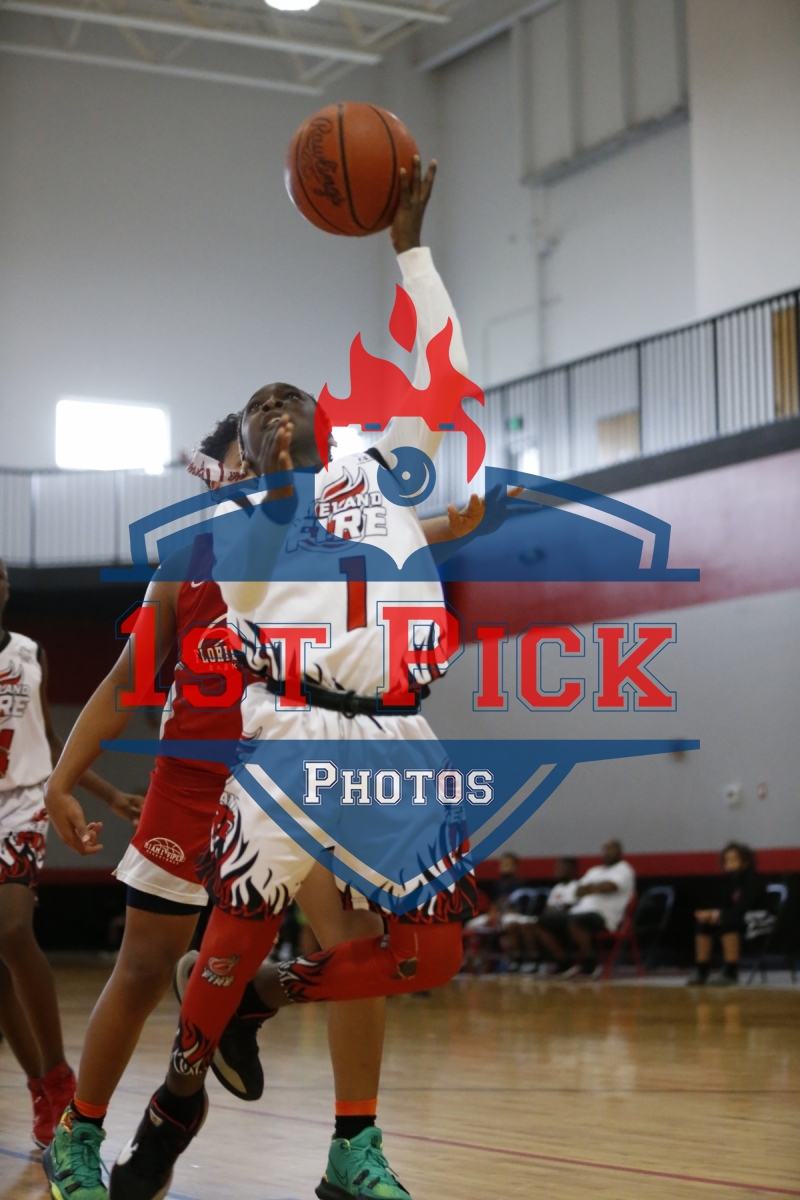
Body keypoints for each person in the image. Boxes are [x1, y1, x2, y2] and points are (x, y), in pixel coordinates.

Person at [109, 156, 485, 1200]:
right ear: (247, 449)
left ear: (328, 425)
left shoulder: (376, 477)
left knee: (435, 955)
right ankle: (174, 1105)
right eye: (262, 410)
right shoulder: (236, 524)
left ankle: (266, 1001)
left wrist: (410, 251)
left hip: (398, 734)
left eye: (295, 399)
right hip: (290, 740)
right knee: (230, 933)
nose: (283, 407)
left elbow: (445, 377)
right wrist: (271, 487)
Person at [43, 405, 481, 1200]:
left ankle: (352, 1145)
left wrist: (448, 525)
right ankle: (83, 1129)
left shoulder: (327, 543)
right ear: (220, 480)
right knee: (143, 966)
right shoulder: (188, 564)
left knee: (354, 934)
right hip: (192, 780)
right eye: (249, 464)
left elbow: (391, 536)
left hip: (290, 772)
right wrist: (61, 781)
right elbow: (121, 684)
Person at [0, 556, 141, 1151]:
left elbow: (51, 738)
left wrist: (106, 793)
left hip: (22, 804)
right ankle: (42, 1085)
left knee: (11, 931)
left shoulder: (28, 652)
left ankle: (59, 1076)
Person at [532, 840, 635, 978]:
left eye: (612, 849)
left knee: (576, 922)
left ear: (620, 852)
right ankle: (563, 962)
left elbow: (611, 887)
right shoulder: (594, 871)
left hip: (603, 915)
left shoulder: (624, 869)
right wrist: (597, 887)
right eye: (606, 849)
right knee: (541, 922)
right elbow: (578, 891)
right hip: (579, 911)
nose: (608, 852)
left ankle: (590, 964)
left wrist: (590, 888)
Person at [688, 842, 763, 987]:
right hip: (738, 918)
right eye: (727, 860)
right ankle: (702, 970)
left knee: (728, 921)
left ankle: (731, 972)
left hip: (757, 919)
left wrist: (717, 914)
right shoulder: (730, 881)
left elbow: (743, 908)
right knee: (704, 923)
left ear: (745, 862)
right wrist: (711, 915)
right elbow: (725, 907)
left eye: (734, 859)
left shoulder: (753, 880)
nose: (729, 863)